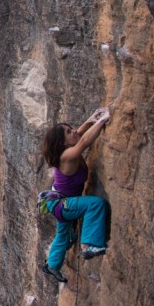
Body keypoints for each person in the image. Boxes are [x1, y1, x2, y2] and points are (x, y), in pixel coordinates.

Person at [40, 107, 111, 283]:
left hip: (58, 202)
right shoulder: (67, 156)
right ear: (63, 143)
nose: (74, 132)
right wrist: (103, 121)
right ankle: (89, 245)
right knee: (95, 204)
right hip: (62, 204)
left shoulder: (67, 148)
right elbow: (84, 141)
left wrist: (91, 119)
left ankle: (52, 265)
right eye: (69, 132)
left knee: (63, 235)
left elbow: (79, 134)